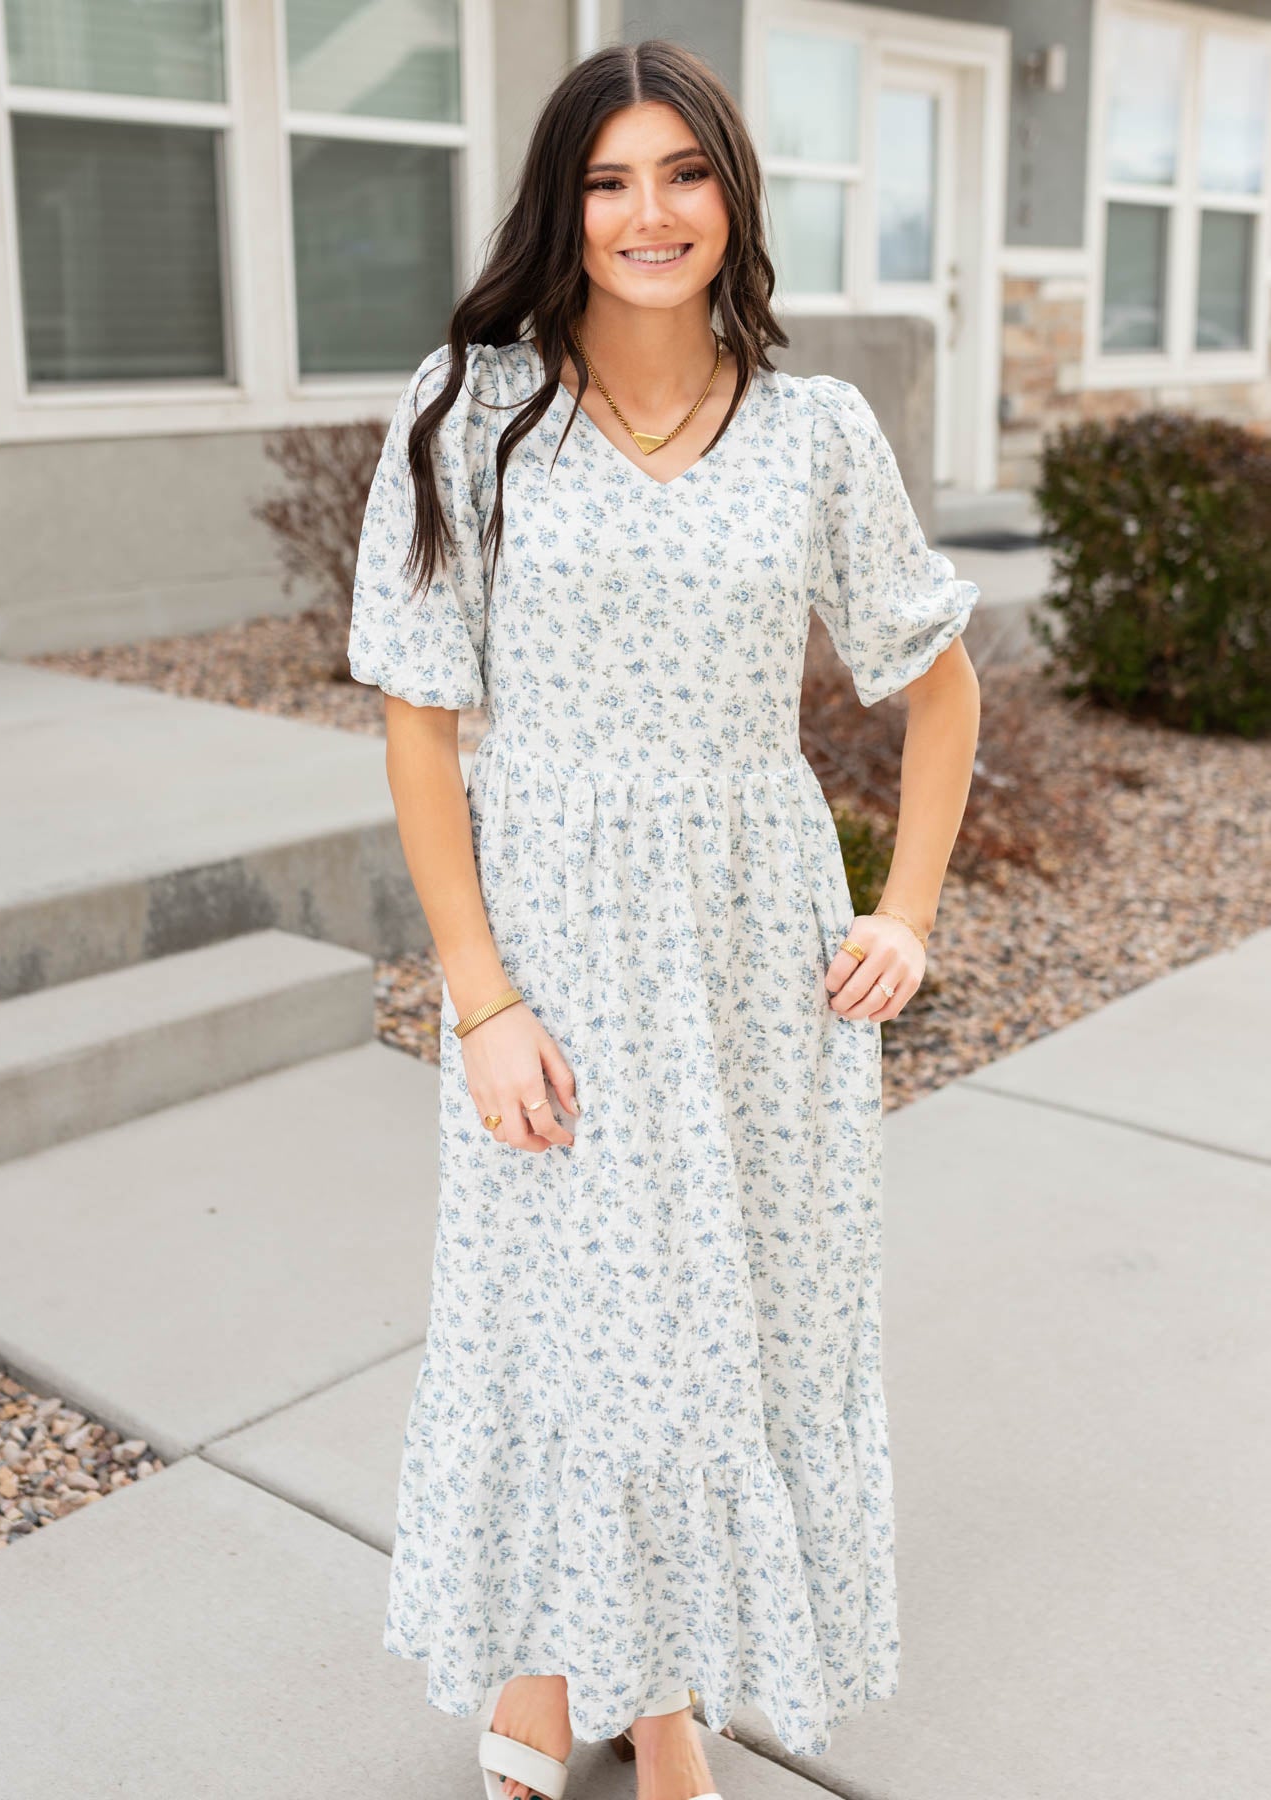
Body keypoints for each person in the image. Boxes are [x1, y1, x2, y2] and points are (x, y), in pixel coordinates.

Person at [348, 38, 981, 1800]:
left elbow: (938, 692)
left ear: (729, 197)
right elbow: (416, 717)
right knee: (564, 1313)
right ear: (564, 201)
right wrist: (479, 996)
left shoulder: (813, 431)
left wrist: (906, 912)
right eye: (611, 178)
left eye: (683, 173)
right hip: (552, 938)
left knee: (730, 1324)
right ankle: (562, 1673)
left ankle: (662, 1684)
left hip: (753, 950)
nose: (648, 213)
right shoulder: (467, 412)